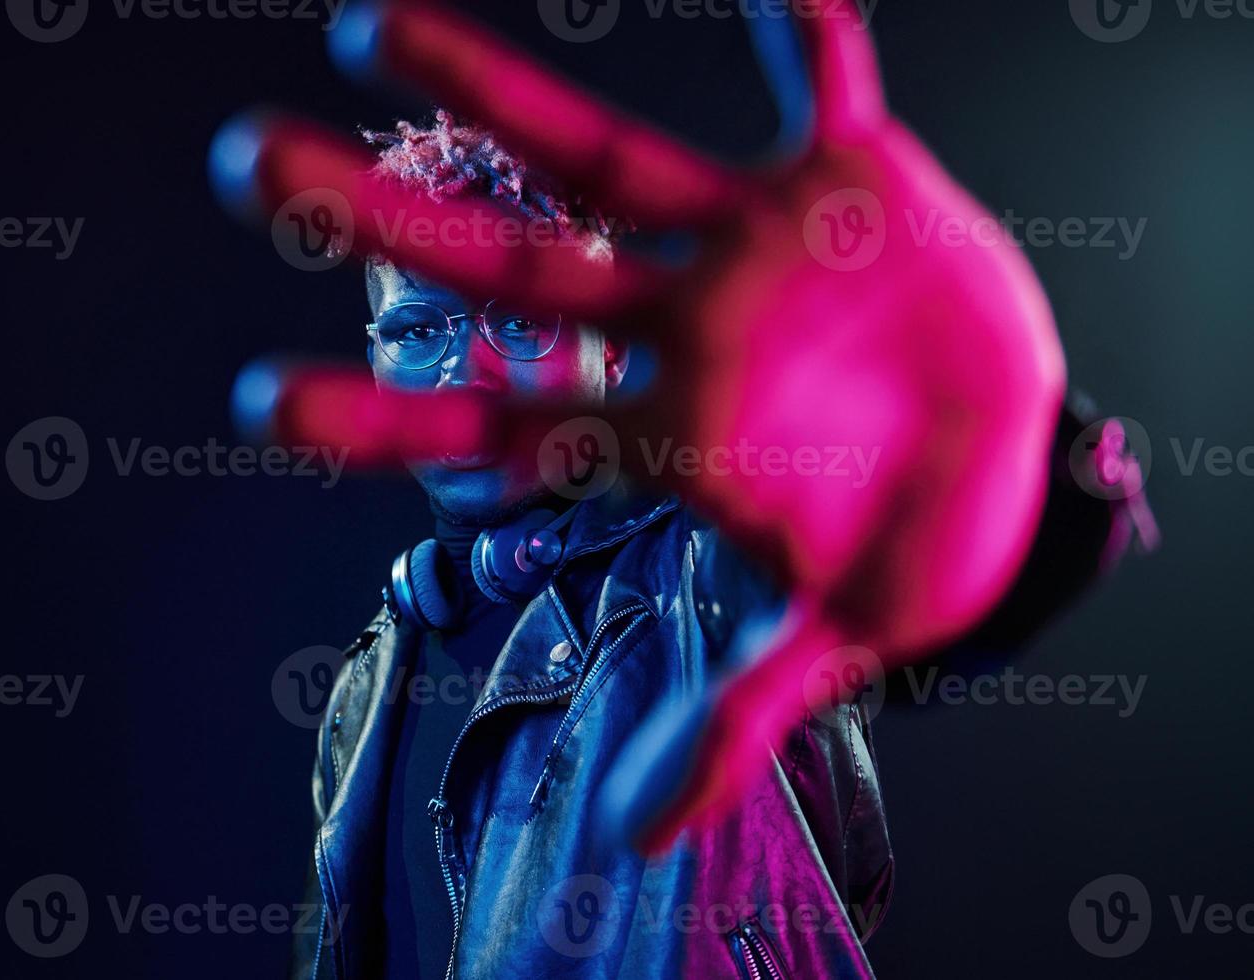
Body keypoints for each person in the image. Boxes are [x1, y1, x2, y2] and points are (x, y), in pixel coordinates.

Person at [209, 4, 1152, 976]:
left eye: (521, 323)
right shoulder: (373, 671)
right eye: (415, 332)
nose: (466, 368)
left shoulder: (692, 583)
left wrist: (1000, 456)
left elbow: (872, 581)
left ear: (611, 351)